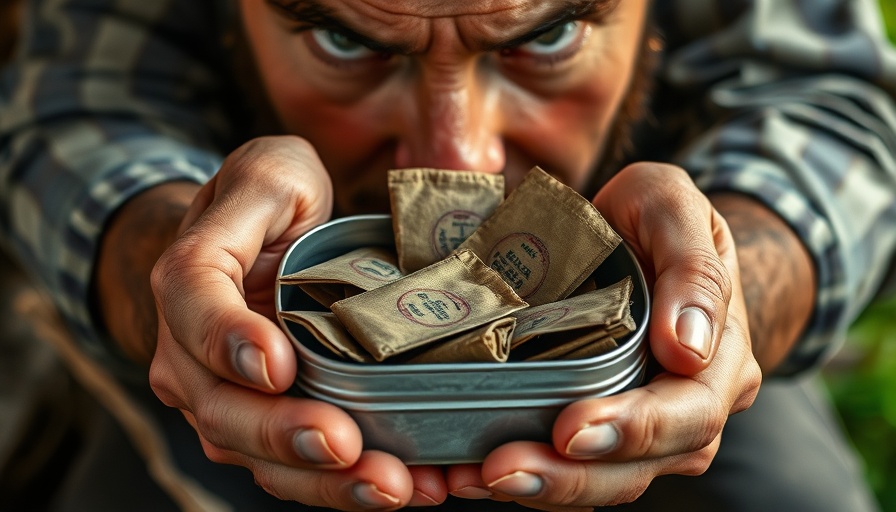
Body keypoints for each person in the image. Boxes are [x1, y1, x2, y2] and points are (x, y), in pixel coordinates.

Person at [1, 0, 894, 510]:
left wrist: (728, 299)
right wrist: (175, 260)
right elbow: (79, 107)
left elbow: (832, 107)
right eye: (346, 40)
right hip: (245, 363)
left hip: (642, 299)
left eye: (545, 37)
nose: (457, 162)